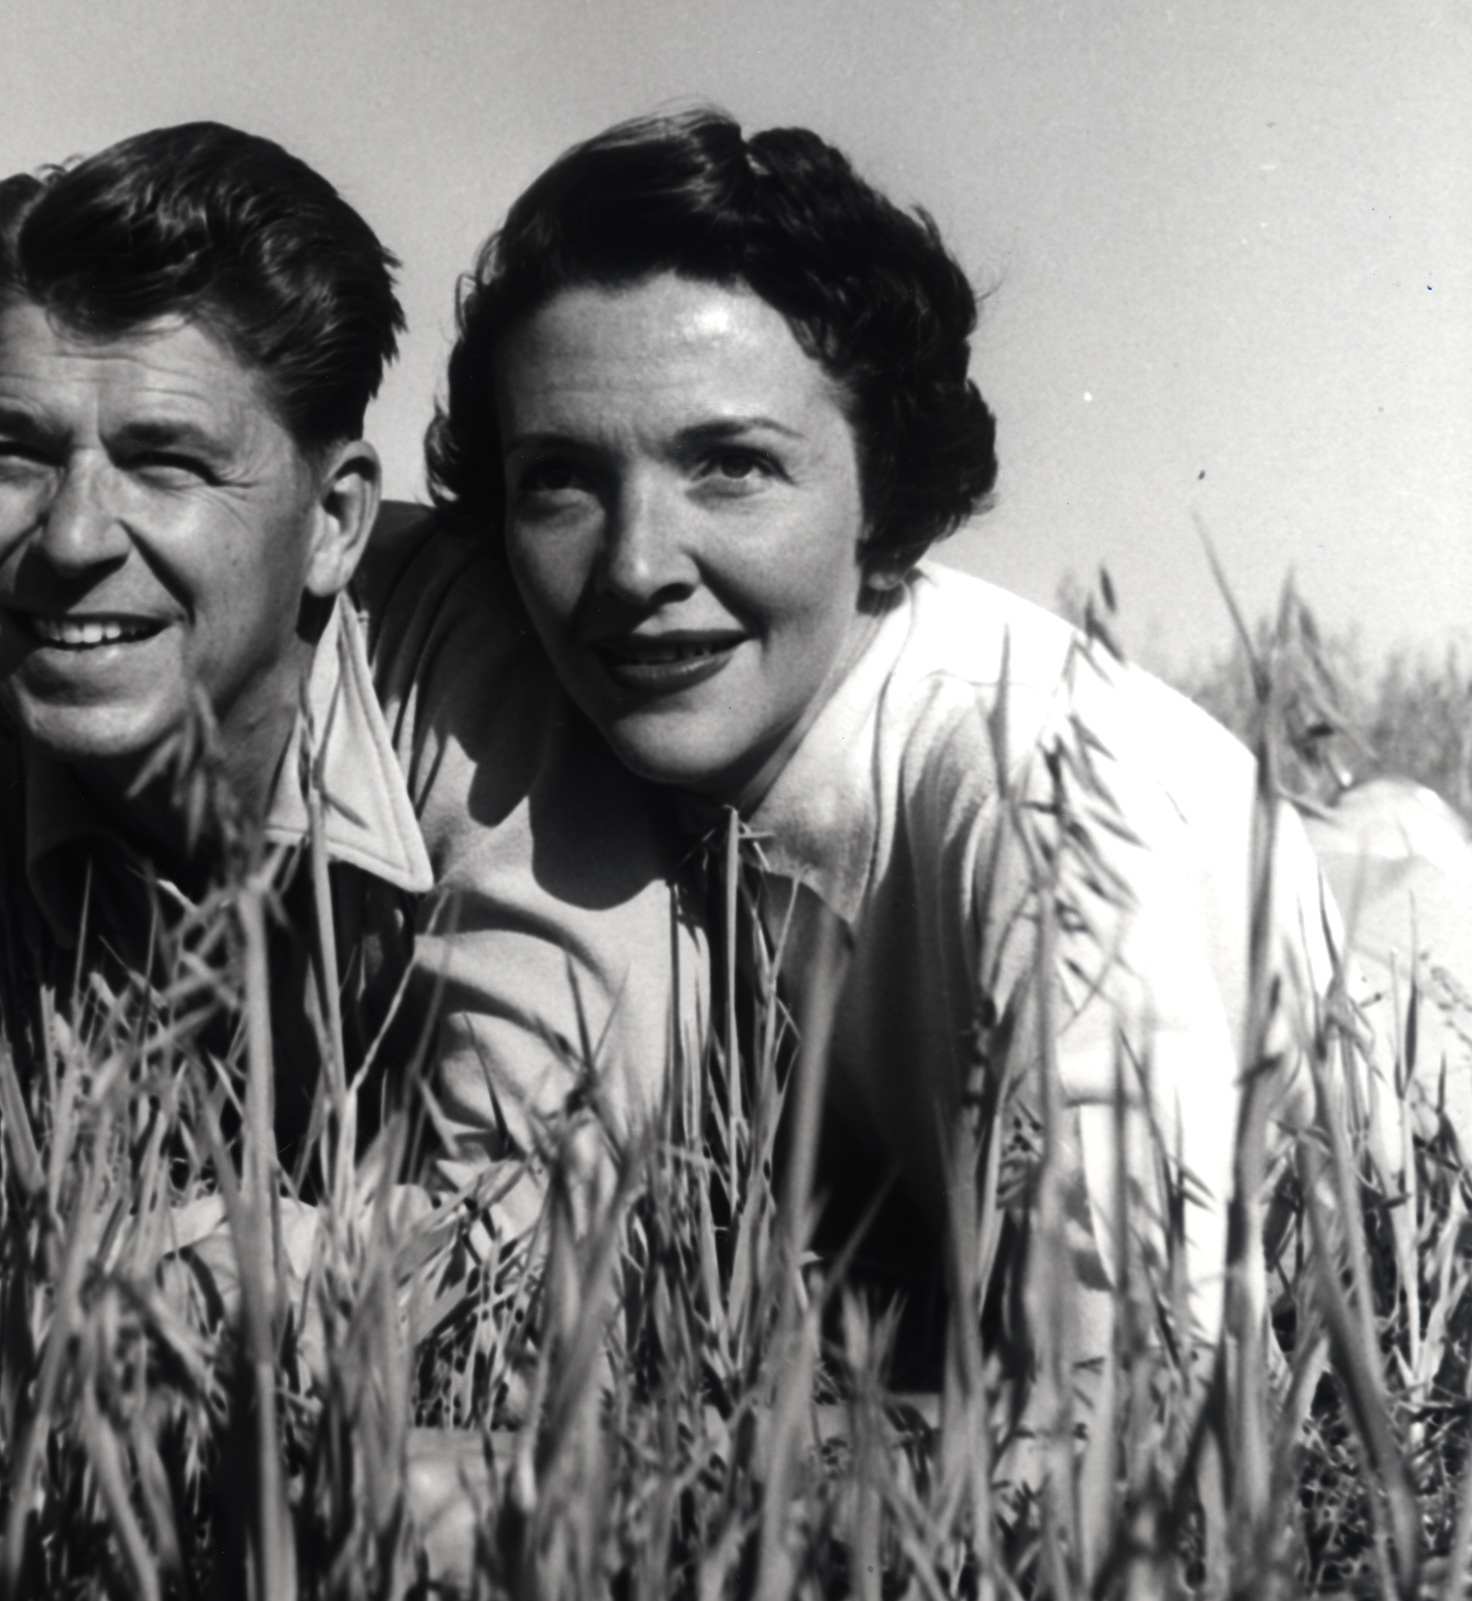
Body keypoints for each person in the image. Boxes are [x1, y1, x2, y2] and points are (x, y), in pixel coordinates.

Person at [0, 120, 693, 1371]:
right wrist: (95, 1321)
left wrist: (21, 1271)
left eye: (165, 464)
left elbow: (546, 1231)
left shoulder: (474, 676)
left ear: (333, 525)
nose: (69, 540)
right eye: (13, 452)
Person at [421, 104, 1405, 1364]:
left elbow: (1132, 1434)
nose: (633, 564)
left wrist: (539, 1494)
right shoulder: (650, 729)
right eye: (559, 478)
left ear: (880, 488)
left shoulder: (1037, 804)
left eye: (729, 466)